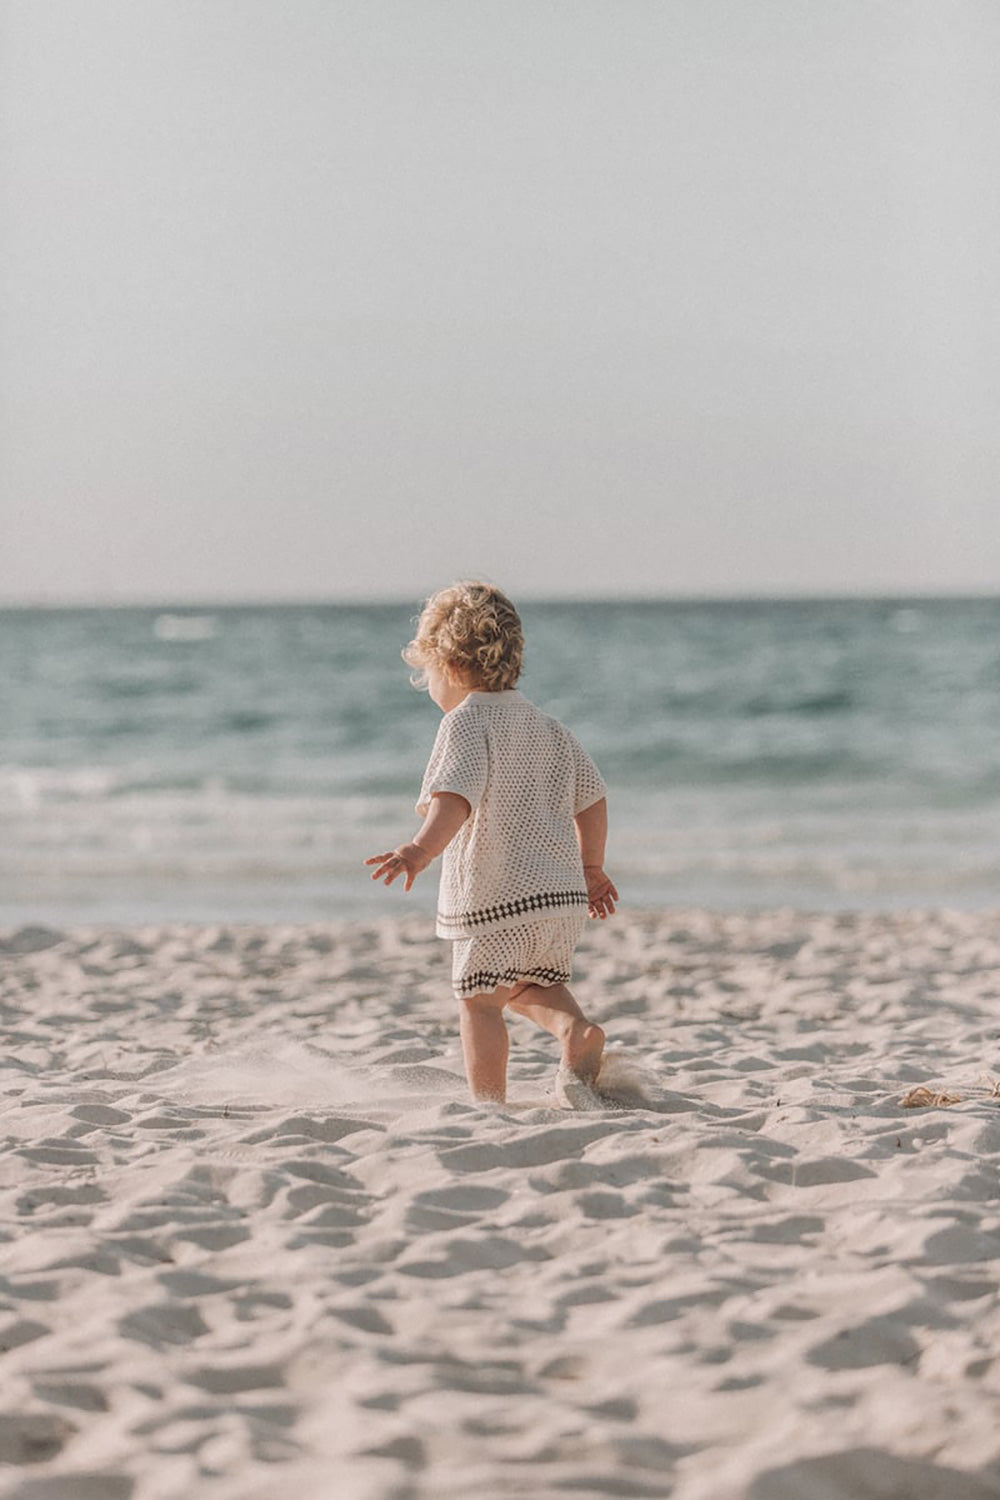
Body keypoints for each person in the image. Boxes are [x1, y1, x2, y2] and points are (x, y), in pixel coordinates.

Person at [365, 580, 618, 1106]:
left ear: (450, 667)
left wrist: (420, 849)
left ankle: (489, 1103)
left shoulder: (465, 723)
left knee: (479, 1001)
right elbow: (592, 797)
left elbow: (454, 796)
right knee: (528, 984)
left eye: (428, 674)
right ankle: (575, 1031)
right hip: (559, 900)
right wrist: (592, 869)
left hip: (497, 897)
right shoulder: (548, 726)